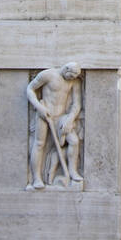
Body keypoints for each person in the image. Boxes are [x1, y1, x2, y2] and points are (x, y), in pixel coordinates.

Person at [26, 61, 83, 189]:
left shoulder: (74, 81)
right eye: (70, 76)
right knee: (39, 144)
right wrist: (39, 107)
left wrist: (70, 118)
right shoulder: (48, 75)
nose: (71, 79)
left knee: (73, 141)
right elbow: (30, 89)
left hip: (62, 116)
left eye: (74, 77)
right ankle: (36, 179)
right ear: (66, 69)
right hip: (44, 113)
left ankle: (72, 171)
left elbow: (76, 104)